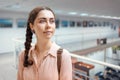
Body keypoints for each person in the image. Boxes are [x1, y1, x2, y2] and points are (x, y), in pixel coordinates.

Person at [17, 6, 72, 80]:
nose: (48, 25)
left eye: (52, 21)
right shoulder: (24, 55)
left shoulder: (63, 56)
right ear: (32, 26)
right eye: (42, 21)